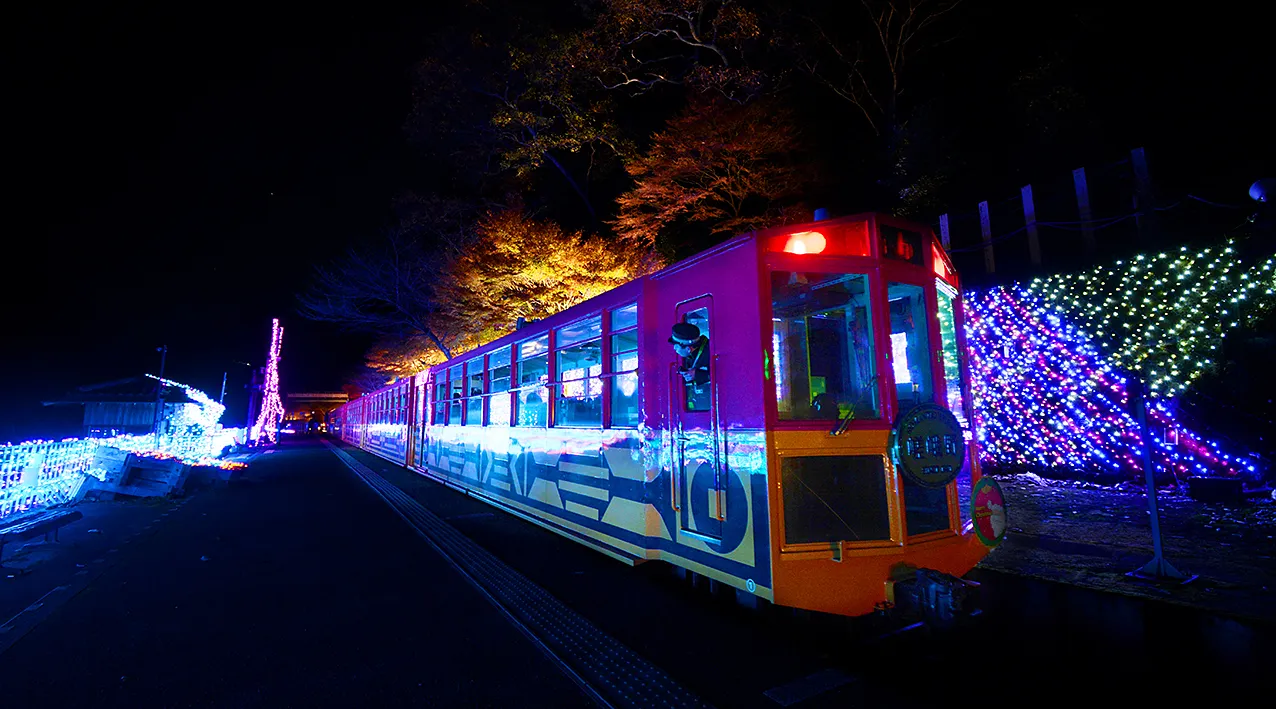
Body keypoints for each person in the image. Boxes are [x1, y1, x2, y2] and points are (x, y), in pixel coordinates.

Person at [670, 322, 711, 410]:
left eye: (676, 346)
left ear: (688, 349)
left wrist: (698, 375)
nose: (674, 349)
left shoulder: (710, 352)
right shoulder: (690, 355)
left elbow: (726, 375)